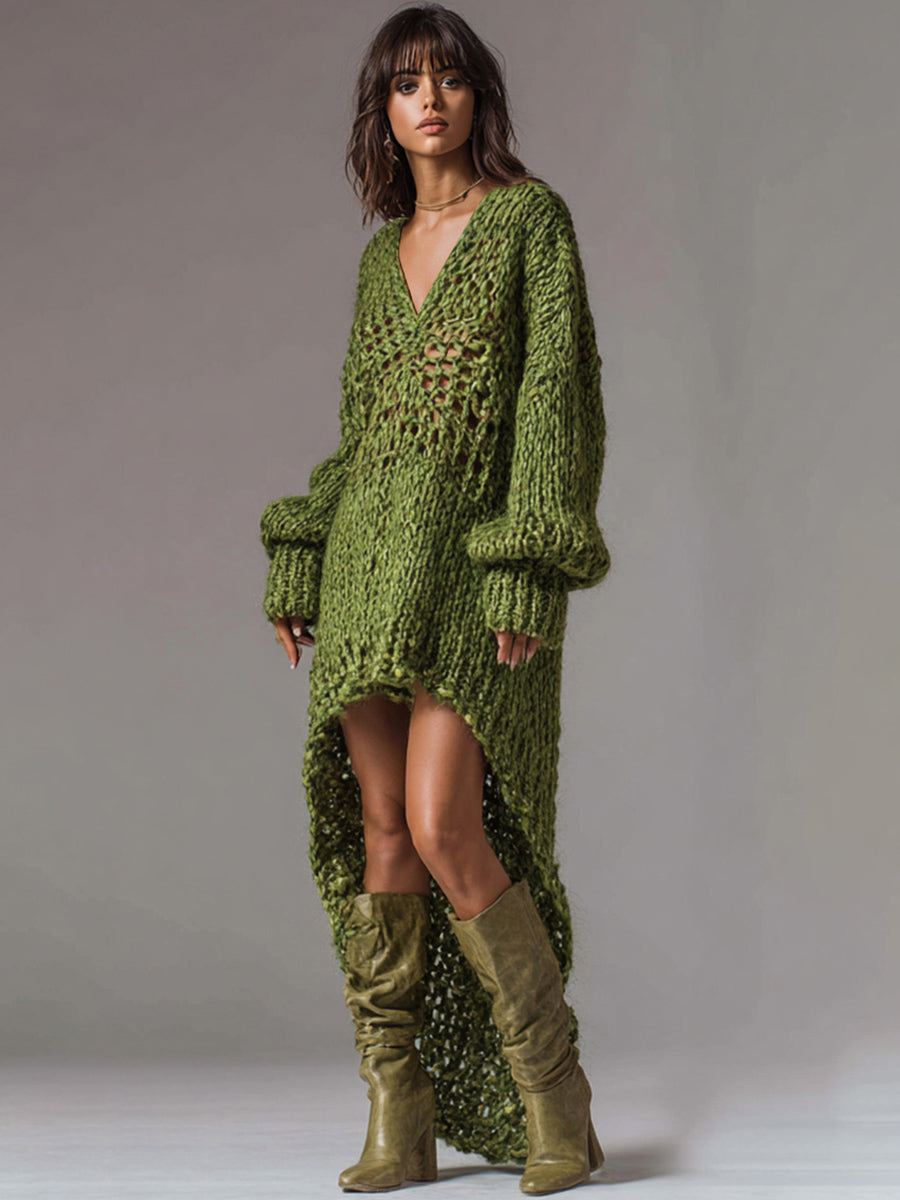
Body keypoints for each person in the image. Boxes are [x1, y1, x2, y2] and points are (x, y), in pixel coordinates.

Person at [258, 4, 611, 1193]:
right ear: (383, 113)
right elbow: (364, 437)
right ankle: (397, 1114)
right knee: (382, 831)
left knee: (445, 823)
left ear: (477, 97)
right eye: (406, 83)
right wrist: (303, 556)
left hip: (465, 570)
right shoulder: (380, 259)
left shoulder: (527, 223)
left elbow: (557, 406)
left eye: (448, 78)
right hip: (367, 566)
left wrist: (524, 565)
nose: (429, 99)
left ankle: (555, 1096)